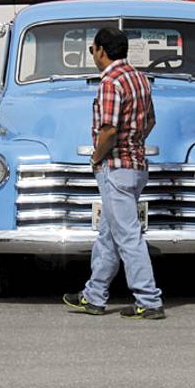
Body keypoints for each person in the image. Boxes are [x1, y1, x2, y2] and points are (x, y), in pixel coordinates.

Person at [62, 28, 165, 319]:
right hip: (136, 166)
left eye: (92, 49)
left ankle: (149, 299)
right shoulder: (138, 78)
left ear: (101, 50)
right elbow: (150, 120)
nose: (93, 55)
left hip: (115, 169)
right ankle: (94, 295)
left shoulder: (110, 81)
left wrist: (96, 157)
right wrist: (134, 142)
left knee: (128, 236)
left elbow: (108, 129)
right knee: (108, 234)